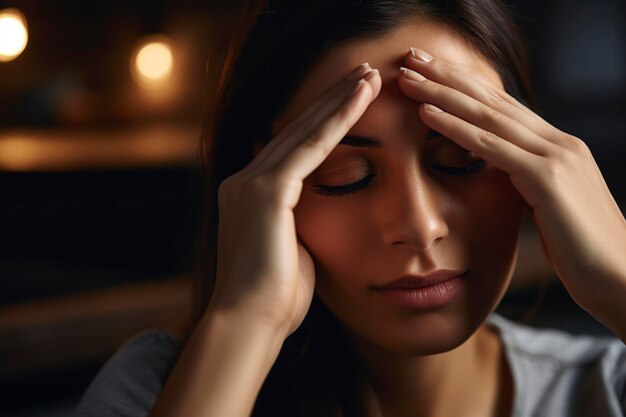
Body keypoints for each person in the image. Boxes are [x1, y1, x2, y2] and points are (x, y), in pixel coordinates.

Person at [74, 0, 626, 416]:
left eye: (461, 160)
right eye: (346, 176)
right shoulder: (160, 391)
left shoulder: (608, 388)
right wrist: (247, 322)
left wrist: (619, 281)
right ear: (259, 192)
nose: (419, 226)